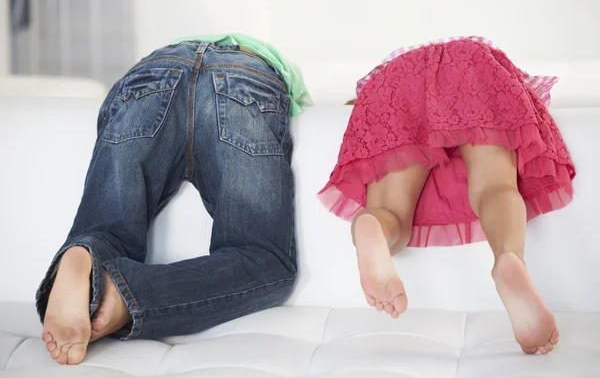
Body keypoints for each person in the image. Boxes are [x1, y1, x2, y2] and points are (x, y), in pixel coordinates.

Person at [36, 34, 311, 365]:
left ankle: (88, 253)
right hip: (245, 77)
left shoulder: (171, 49)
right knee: (264, 257)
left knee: (107, 225)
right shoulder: (276, 60)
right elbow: (301, 104)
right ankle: (127, 294)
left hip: (154, 72)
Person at [319, 36, 574, 355]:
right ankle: (508, 258)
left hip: (395, 80)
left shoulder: (383, 79)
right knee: (496, 186)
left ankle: (373, 227)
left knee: (391, 212)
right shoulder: (472, 55)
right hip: (472, 63)